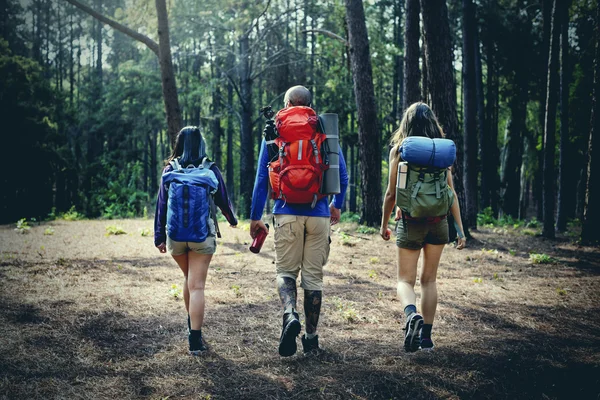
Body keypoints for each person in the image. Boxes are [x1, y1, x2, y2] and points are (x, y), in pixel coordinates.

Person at [250, 85, 348, 357]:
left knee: (285, 273)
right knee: (313, 280)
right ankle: (311, 338)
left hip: (285, 212)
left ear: (288, 103)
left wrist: (255, 217)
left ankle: (290, 313)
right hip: (318, 214)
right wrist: (336, 206)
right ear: (307, 103)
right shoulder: (323, 128)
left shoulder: (275, 131)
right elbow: (343, 175)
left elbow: (261, 179)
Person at [380, 102, 466, 352]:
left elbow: (390, 194)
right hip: (439, 224)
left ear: (406, 123)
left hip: (410, 222)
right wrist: (459, 230)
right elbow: (451, 193)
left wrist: (383, 224)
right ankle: (426, 338)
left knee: (404, 281)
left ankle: (411, 315)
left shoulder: (400, 151)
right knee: (429, 280)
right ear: (433, 123)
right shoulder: (442, 152)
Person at [154, 126, 238, 355]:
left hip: (176, 237)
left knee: (188, 278)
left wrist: (159, 237)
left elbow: (161, 205)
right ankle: (195, 339)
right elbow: (222, 198)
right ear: (201, 144)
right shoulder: (210, 168)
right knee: (197, 285)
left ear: (179, 144)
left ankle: (191, 323)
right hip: (201, 236)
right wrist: (232, 219)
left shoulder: (170, 169)